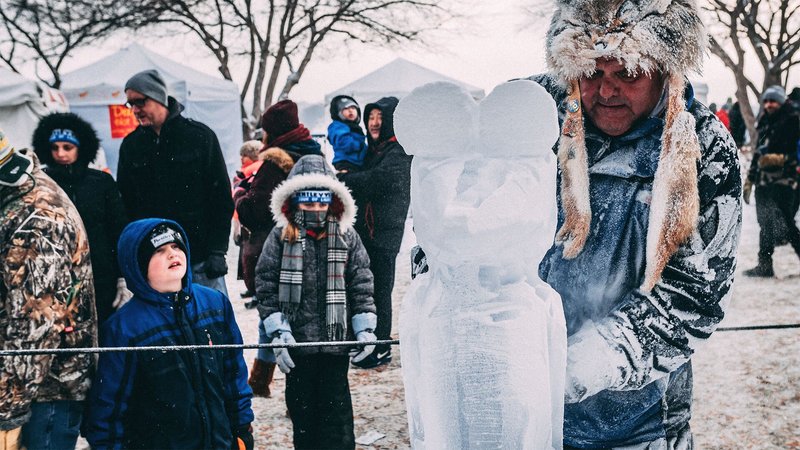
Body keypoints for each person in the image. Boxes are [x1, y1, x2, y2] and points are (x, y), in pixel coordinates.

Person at [533, 0, 742, 447]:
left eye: (626, 74)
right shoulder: (531, 123)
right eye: (591, 74)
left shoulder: (702, 146)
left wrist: (584, 365)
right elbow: (461, 229)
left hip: (639, 425)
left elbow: (695, 296)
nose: (606, 92)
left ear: (664, 69)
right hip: (524, 414)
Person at [85, 218, 254, 449]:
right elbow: (109, 405)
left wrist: (242, 428)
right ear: (138, 263)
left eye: (176, 247)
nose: (173, 254)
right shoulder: (124, 328)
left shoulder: (215, 304)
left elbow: (233, 372)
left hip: (219, 442)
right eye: (160, 251)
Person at [255, 154, 376, 450]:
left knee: (338, 421)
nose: (316, 209)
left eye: (322, 202)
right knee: (304, 418)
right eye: (308, 203)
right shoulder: (280, 236)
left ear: (333, 201)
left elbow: (361, 282)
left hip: (336, 347)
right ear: (295, 201)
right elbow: (266, 284)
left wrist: (364, 326)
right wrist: (278, 331)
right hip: (299, 348)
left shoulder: (347, 236)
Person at [0, 129, 96, 450]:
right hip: (23, 386)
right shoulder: (12, 200)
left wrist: (7, 414)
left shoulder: (36, 219)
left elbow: (34, 328)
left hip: (43, 393)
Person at [117, 69, 233, 294]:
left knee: (212, 323)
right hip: (156, 260)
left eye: (140, 102)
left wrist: (217, 251)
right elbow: (126, 205)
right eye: (130, 104)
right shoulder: (131, 146)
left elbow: (220, 198)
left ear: (159, 97)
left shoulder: (200, 137)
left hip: (200, 258)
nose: (135, 110)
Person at [235, 99, 322, 397]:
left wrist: (240, 195)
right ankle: (267, 381)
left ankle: (265, 381)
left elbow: (255, 209)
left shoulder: (273, 164)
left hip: (274, 248)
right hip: (313, 247)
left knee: (271, 314)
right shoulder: (314, 155)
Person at [32, 112, 130, 327]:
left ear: (81, 147)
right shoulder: (41, 184)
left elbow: (119, 230)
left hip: (102, 277)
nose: (60, 153)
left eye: (67, 147)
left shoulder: (101, 182)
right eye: (55, 148)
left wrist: (124, 278)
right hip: (58, 279)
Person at [337, 96, 412, 369]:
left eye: (380, 118)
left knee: (380, 290)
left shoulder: (399, 152)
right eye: (371, 118)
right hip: (366, 233)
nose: (375, 124)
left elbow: (376, 181)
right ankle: (365, 341)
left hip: (384, 235)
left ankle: (381, 346)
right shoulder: (373, 151)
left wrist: (345, 180)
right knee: (363, 290)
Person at [742, 86, 800, 277]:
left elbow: (791, 154)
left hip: (784, 181)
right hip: (764, 181)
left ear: (781, 102)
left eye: (773, 101)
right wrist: (750, 180)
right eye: (766, 101)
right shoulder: (765, 121)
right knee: (765, 223)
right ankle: (765, 264)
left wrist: (776, 159)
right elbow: (759, 152)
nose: (769, 105)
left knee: (786, 224)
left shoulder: (792, 120)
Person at [233, 140, 264, 299]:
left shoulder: (250, 171)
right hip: (247, 220)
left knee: (248, 257)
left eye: (244, 155)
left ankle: (253, 288)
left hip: (246, 220)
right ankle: (252, 287)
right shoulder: (250, 170)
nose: (241, 159)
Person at [327, 95, 367, 171]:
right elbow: (344, 142)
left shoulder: (354, 127)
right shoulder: (337, 126)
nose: (350, 110)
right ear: (339, 113)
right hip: (346, 163)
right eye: (345, 108)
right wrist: (359, 145)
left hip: (357, 162)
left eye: (353, 108)